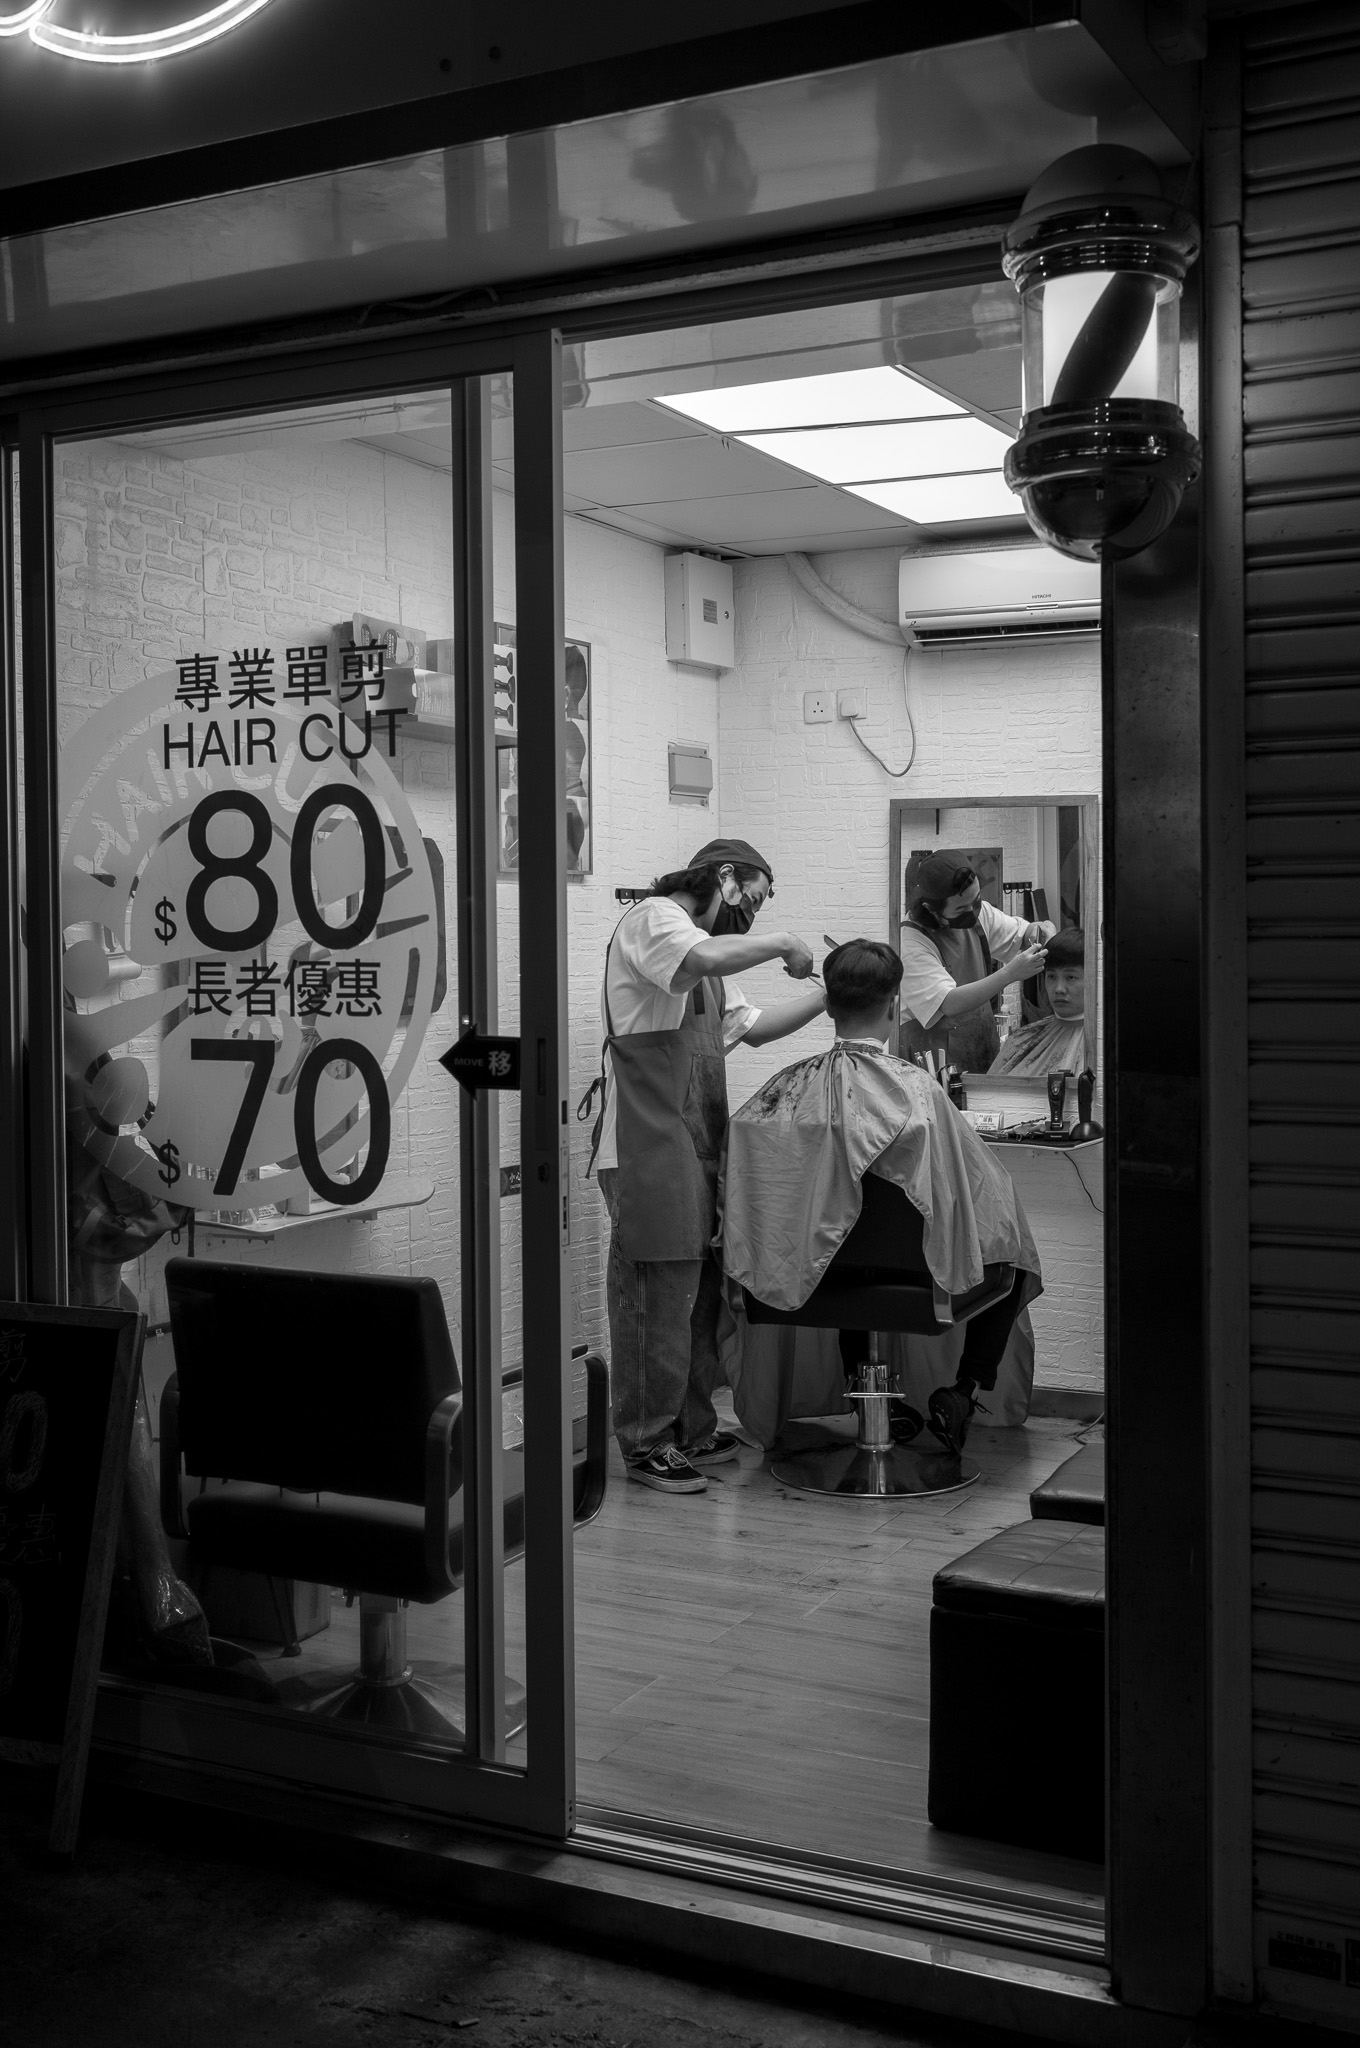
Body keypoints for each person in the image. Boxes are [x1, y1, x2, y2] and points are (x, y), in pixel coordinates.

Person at [719, 938, 1041, 1452]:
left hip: (816, 1273)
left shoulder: (778, 1099)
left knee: (844, 1243)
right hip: (916, 1280)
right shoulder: (919, 1096)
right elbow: (982, 1200)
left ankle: (874, 1400)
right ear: (894, 1007)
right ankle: (963, 1390)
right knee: (1015, 1255)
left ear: (828, 1006)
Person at [583, 838, 827, 1494]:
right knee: (655, 1299)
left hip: (692, 1143)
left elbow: (754, 1026)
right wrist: (782, 943)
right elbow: (697, 958)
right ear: (724, 876)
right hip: (645, 1145)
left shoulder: (708, 961)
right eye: (754, 897)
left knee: (695, 1301)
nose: (752, 913)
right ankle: (645, 1441)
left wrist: (829, 998)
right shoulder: (654, 919)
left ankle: (690, 1427)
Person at [899, 850, 1053, 1072]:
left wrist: (1042, 930)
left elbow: (1021, 934)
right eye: (961, 909)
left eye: (976, 900)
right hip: (932, 1067)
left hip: (982, 1050)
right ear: (931, 909)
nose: (973, 911)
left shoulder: (979, 913)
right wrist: (1010, 974)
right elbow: (948, 1002)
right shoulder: (910, 943)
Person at [989, 926, 1087, 1078]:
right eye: (1052, 977)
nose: (1059, 989)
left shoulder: (1108, 1047)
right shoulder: (1021, 1041)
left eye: (1070, 977)